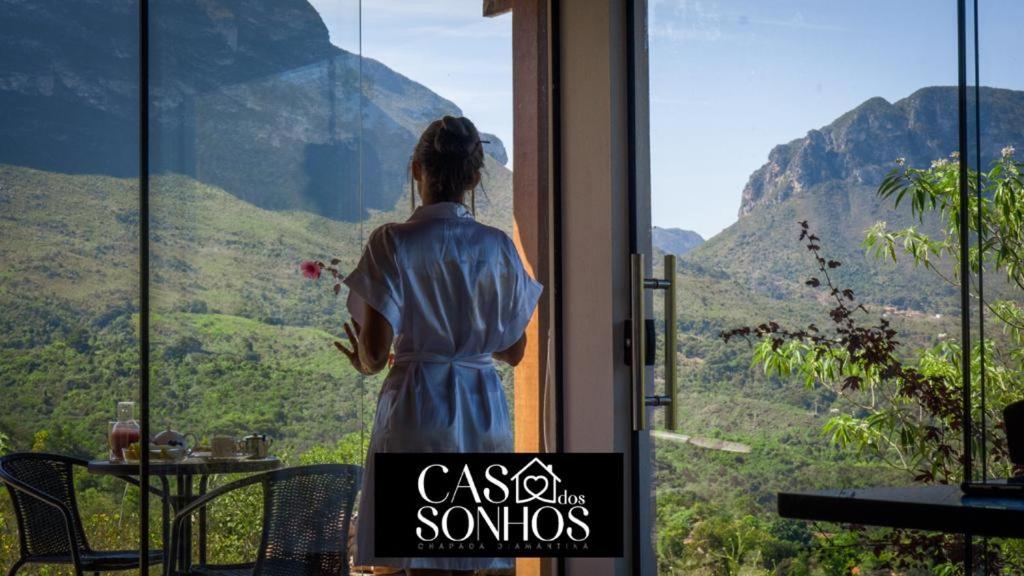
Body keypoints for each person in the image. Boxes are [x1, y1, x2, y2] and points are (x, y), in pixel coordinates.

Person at [336, 115, 543, 576]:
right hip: (481, 412)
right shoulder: (499, 248)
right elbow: (513, 351)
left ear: (416, 169)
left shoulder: (391, 241)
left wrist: (364, 361)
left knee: (417, 563)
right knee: (468, 563)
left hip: (416, 408)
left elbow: (374, 352)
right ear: (473, 178)